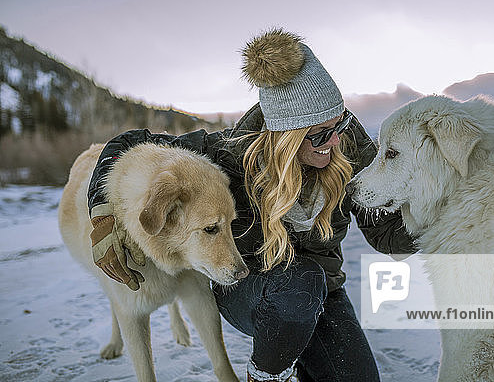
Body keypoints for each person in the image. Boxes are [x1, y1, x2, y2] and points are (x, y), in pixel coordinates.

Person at [87, 29, 416, 382]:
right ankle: (264, 375)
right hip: (250, 289)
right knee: (299, 284)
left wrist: (439, 214)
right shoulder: (230, 153)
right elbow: (129, 143)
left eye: (341, 123)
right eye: (320, 134)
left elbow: (386, 234)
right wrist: (101, 212)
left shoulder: (346, 144)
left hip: (323, 291)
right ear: (285, 135)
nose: (334, 141)